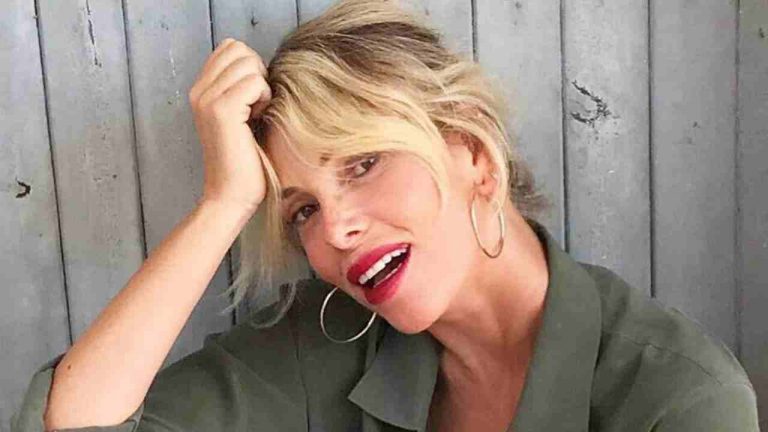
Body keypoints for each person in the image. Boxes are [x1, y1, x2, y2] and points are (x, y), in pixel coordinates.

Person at [11, 1, 760, 431]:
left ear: (472, 150)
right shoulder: (327, 340)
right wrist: (223, 204)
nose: (334, 230)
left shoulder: (678, 397)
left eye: (363, 163)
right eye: (302, 209)